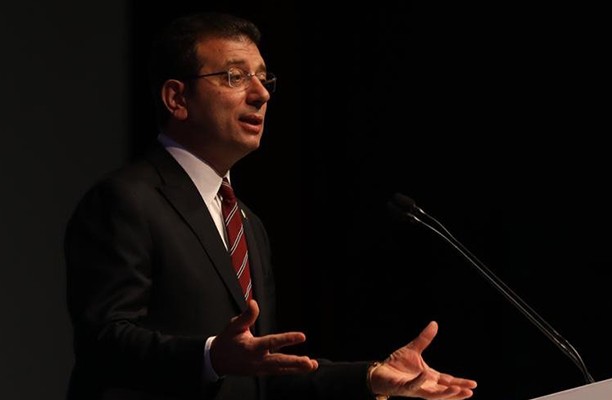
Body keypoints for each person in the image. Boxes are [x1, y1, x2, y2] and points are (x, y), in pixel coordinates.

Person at [64, 11, 477, 400]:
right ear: (177, 98)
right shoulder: (126, 199)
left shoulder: (247, 222)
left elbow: (263, 374)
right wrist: (210, 356)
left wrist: (370, 376)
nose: (261, 94)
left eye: (263, 79)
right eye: (234, 76)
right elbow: (103, 342)